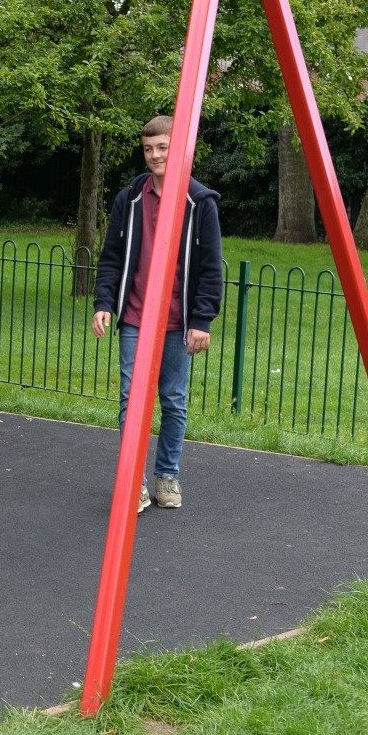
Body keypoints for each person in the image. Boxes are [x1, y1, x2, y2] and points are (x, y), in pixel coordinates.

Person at [91, 115, 223, 514]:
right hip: (134, 317)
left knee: (173, 399)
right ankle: (136, 483)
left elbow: (211, 267)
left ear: (179, 148)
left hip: (176, 322)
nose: (154, 155)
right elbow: (112, 258)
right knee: (131, 401)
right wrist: (104, 303)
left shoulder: (199, 203)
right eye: (148, 148)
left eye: (162, 147)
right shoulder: (129, 199)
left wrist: (202, 320)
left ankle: (167, 474)